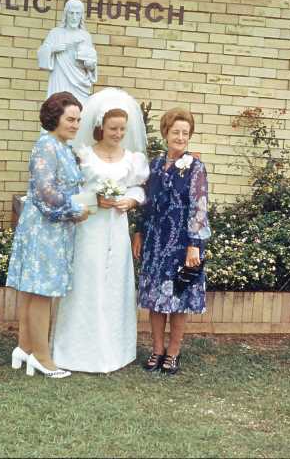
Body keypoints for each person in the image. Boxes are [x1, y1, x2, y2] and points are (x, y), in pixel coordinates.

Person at [51, 88, 149, 373]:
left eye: (122, 129)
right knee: (86, 281)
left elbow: (137, 188)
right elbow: (72, 191)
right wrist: (94, 199)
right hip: (89, 227)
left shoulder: (132, 159)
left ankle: (114, 350)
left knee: (114, 284)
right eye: (113, 128)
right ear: (101, 127)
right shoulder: (84, 155)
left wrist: (131, 200)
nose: (118, 133)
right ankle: (77, 350)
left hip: (116, 227)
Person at [6, 92, 89, 378]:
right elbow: (45, 191)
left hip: (53, 228)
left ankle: (24, 347)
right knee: (41, 291)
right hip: (43, 228)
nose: (75, 124)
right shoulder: (46, 145)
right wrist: (74, 210)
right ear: (55, 118)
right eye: (70, 119)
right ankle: (42, 357)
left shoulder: (62, 146)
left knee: (34, 290)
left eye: (78, 120)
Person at [132, 107, 211, 375]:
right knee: (155, 299)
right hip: (155, 242)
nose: (180, 137)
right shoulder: (154, 165)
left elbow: (199, 208)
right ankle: (157, 350)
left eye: (185, 133)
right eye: (176, 132)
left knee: (178, 299)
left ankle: (173, 353)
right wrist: (139, 231)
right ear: (165, 133)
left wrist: (194, 245)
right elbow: (145, 202)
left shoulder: (196, 167)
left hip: (182, 244)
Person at [37, 0, 97, 104]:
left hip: (79, 81)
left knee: (78, 108)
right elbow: (41, 53)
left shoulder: (85, 36)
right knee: (59, 106)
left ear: (81, 16)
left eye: (77, 14)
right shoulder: (56, 33)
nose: (74, 17)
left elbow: (91, 62)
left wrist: (90, 65)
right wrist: (53, 49)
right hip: (60, 77)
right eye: (71, 13)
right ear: (66, 14)